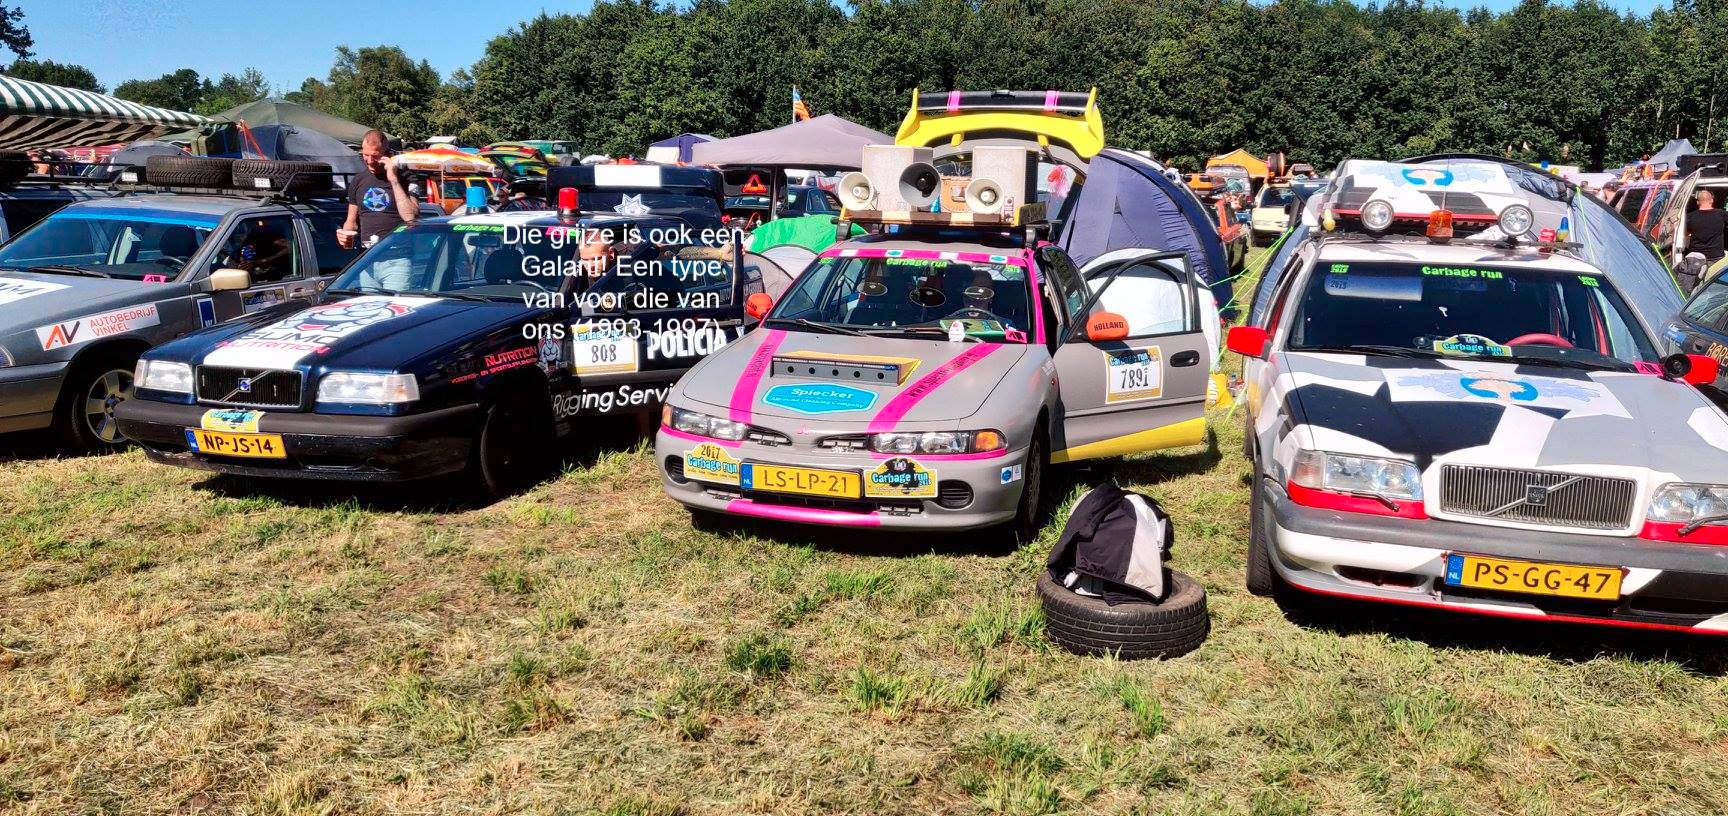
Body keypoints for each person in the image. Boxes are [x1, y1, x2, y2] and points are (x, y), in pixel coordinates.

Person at [340, 130, 419, 250]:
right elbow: (351, 221)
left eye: (375, 156)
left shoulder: (407, 178)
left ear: (387, 154)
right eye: (365, 155)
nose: (370, 161)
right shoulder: (358, 180)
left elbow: (410, 217)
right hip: (368, 254)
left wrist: (393, 180)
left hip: (398, 253)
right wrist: (345, 235)